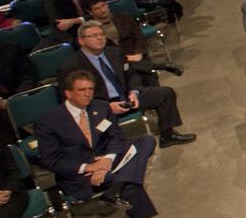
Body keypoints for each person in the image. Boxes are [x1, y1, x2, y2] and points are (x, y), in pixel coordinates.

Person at [35, 71, 163, 218]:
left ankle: (115, 187)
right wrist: (88, 167)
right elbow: (50, 160)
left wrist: (107, 160)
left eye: (91, 89)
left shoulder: (101, 107)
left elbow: (116, 136)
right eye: (82, 90)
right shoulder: (48, 121)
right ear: (68, 93)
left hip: (106, 158)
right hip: (81, 171)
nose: (88, 94)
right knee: (127, 179)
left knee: (146, 140)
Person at [58, 23, 197, 147]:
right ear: (81, 40)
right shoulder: (71, 67)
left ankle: (167, 135)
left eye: (101, 34)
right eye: (94, 35)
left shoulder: (114, 52)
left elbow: (131, 74)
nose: (100, 38)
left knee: (165, 93)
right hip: (100, 107)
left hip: (127, 97)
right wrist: (106, 107)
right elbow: (73, 100)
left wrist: (134, 92)